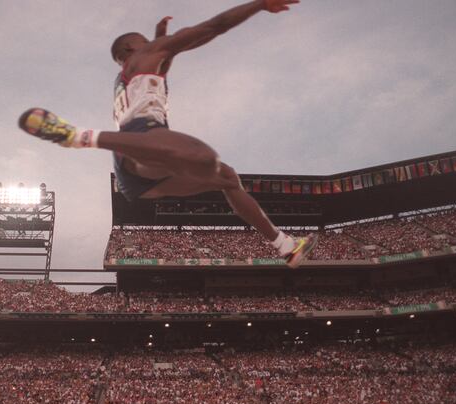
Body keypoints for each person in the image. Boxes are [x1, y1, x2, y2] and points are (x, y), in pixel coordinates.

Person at [19, 0, 316, 267]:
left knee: (227, 177)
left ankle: (284, 245)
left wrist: (160, 36)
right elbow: (212, 27)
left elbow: (167, 56)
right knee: (204, 158)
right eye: (146, 42)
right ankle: (79, 137)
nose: (154, 44)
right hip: (142, 138)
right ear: (131, 49)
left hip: (139, 170)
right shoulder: (146, 55)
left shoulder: (133, 70)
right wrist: (259, 5)